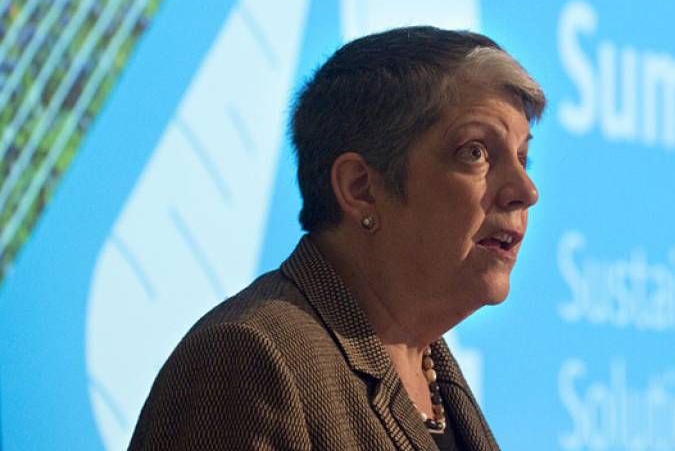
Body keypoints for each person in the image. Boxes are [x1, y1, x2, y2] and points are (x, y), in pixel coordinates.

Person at [129, 26, 546, 450]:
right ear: (360, 188)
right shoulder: (250, 360)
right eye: (474, 152)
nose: (525, 191)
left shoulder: (435, 376)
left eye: (522, 157)